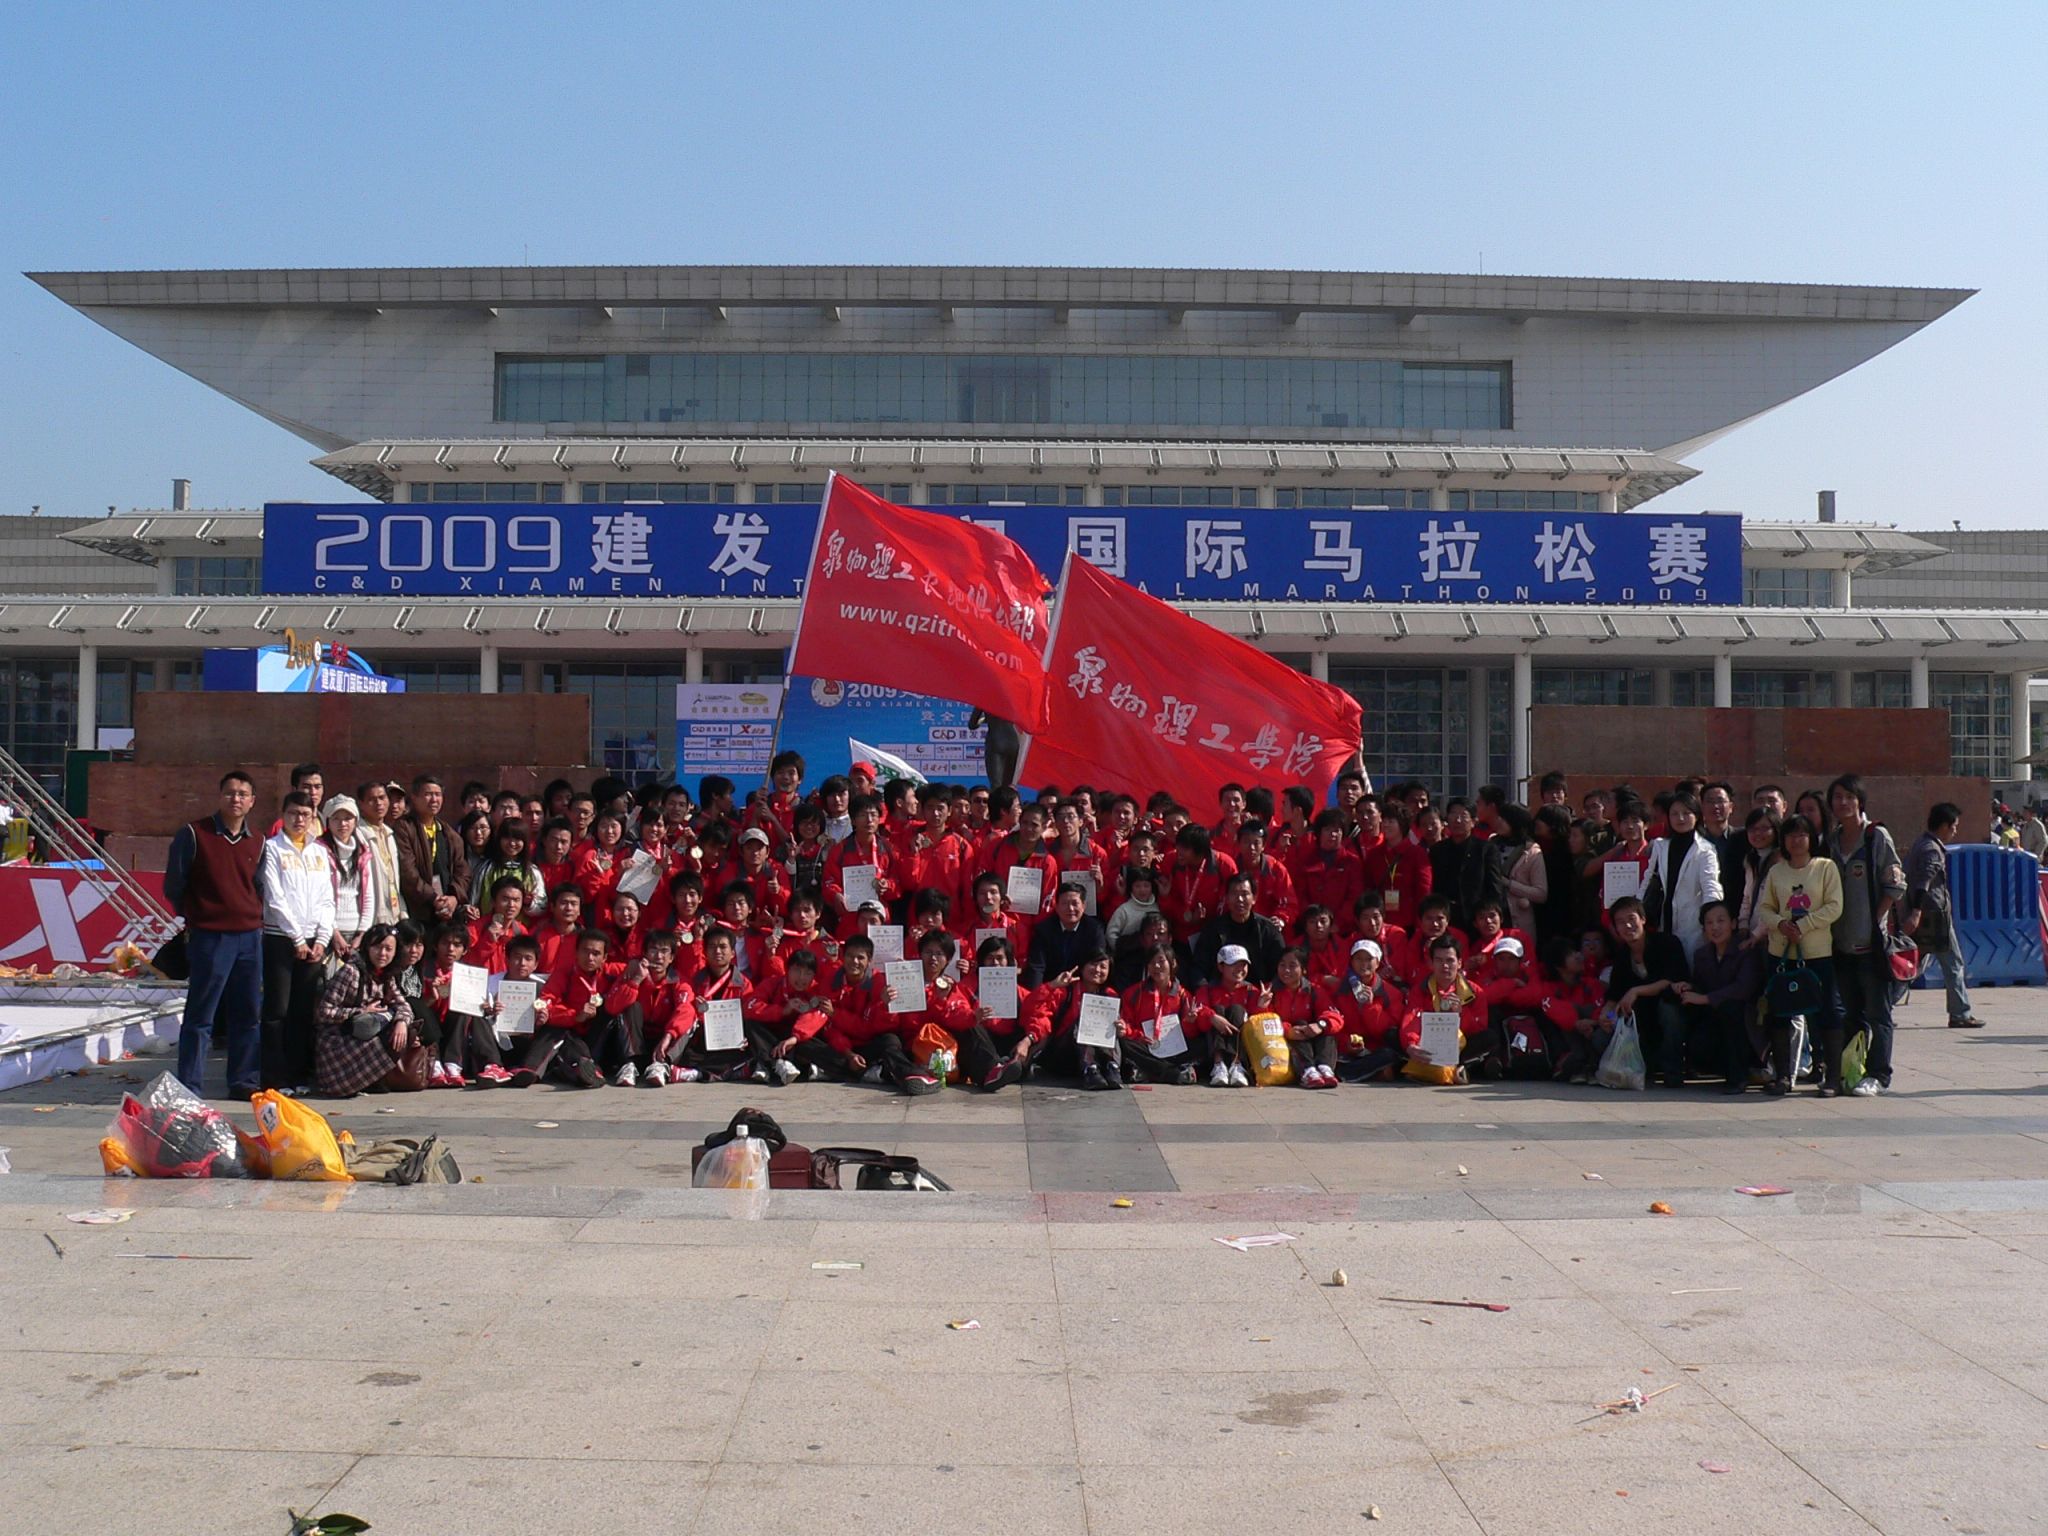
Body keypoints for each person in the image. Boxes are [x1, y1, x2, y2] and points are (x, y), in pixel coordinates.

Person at [163, 770, 265, 1098]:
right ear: (220, 796)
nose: (236, 799)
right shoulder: (194, 834)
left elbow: (259, 886)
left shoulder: (258, 841)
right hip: (210, 937)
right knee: (201, 1016)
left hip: (249, 937)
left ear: (252, 801)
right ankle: (190, 1086)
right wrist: (198, 916)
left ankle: (243, 1081)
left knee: (247, 1014)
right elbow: (174, 885)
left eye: (242, 794)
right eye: (230, 793)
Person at [1754, 814, 1846, 1096]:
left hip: (1817, 953)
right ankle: (1783, 1076)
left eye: (1802, 834)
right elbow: (1765, 908)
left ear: (1811, 838)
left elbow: (1834, 906)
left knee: (1827, 1013)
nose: (1796, 840)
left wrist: (1803, 925)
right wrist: (1781, 924)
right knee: (1779, 1013)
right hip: (1782, 954)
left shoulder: (1825, 867)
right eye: (1791, 835)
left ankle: (1832, 1077)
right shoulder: (1777, 872)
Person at [1827, 774, 1906, 1097]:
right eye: (1837, 797)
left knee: (1878, 1013)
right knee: (1851, 1014)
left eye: (1849, 796)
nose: (1843, 803)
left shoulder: (1876, 837)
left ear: (1860, 801)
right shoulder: (1832, 841)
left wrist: (1876, 919)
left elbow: (1895, 884)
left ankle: (1879, 1074)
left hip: (1871, 944)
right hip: (1840, 942)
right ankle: (1852, 1070)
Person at [258, 790, 336, 1090]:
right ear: (283, 815)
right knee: (277, 1010)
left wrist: (322, 939)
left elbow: (327, 899)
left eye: (305, 814)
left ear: (313, 818)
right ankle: (274, 1077)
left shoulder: (319, 852)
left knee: (303, 1011)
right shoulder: (273, 849)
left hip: (314, 941)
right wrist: (297, 938)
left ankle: (299, 1074)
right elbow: (275, 898)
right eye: (293, 813)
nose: (299, 820)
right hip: (281, 938)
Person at [311, 924, 418, 1097]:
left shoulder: (387, 975)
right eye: (377, 947)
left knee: (406, 1031)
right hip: (338, 1042)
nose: (382, 953)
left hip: (365, 1036)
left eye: (388, 949)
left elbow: (403, 1005)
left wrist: (401, 1022)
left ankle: (370, 1081)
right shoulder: (350, 972)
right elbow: (323, 1012)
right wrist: (360, 1011)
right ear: (367, 947)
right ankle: (354, 1082)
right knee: (374, 1028)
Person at [1906, 802, 1983, 1029]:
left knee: (1914, 964)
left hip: (1925, 914)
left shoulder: (1920, 843)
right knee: (1953, 963)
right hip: (1935, 916)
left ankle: (1881, 1004)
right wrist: (1917, 911)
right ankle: (1960, 1013)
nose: (1955, 831)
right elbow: (1924, 882)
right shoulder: (1932, 849)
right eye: (1954, 826)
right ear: (1943, 826)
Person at [1602, 896, 1692, 1089]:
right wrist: (1607, 1016)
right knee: (1600, 1036)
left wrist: (1636, 991)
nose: (1627, 926)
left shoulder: (1666, 943)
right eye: (1620, 922)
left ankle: (1673, 1071)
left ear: (1642, 919)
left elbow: (1672, 979)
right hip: (1640, 1020)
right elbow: (1614, 997)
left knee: (1669, 1011)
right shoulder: (1622, 956)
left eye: (1631, 918)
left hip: (1672, 1010)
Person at [1676, 900, 1765, 1095]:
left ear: (1733, 923)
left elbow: (1743, 989)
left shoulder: (1745, 951)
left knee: (1731, 1008)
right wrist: (1689, 987)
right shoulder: (1702, 955)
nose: (1715, 927)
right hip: (1714, 1019)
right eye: (1709, 923)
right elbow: (1701, 985)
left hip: (1745, 1020)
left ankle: (1739, 1077)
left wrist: (1705, 998)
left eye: (1720, 921)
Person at [1645, 792, 1724, 961]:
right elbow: (1647, 880)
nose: (1680, 818)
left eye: (1686, 813)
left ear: (1696, 816)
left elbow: (1711, 887)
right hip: (1663, 920)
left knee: (1690, 965)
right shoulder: (1660, 846)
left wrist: (1711, 920)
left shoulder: (1705, 850)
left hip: (1692, 924)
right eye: (1674, 813)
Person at [394, 774, 470, 928]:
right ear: (414, 798)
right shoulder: (404, 827)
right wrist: (434, 898)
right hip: (417, 911)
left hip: (447, 910)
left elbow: (463, 871)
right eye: (428, 794)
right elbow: (408, 872)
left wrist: (454, 898)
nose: (434, 799)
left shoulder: (449, 833)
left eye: (438, 794)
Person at [1190, 872, 1286, 986]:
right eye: (1234, 894)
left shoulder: (1268, 930)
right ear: (1226, 898)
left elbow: (1280, 969)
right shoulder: (1213, 929)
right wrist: (1205, 991)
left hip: (1259, 992)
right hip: (1220, 992)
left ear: (1254, 898)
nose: (1240, 899)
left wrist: (1268, 991)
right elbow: (1198, 968)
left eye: (1245, 894)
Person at [318, 796, 372, 968]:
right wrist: (334, 932)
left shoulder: (363, 851)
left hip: (356, 930)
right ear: (328, 821)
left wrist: (362, 933)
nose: (343, 824)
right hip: (328, 931)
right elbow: (320, 896)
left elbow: (368, 895)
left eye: (348, 818)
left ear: (356, 821)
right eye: (336, 819)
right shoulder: (319, 851)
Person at [1024, 881, 1109, 987]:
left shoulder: (1094, 929)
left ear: (1084, 906)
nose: (1070, 908)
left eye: (1075, 903)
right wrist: (1037, 993)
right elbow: (1037, 967)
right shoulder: (1044, 930)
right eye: (1064, 903)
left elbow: (1097, 963)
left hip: (1081, 985)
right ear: (1057, 907)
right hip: (1052, 985)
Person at [353, 780, 406, 928]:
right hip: (370, 913)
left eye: (382, 798)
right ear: (361, 804)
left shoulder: (389, 834)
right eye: (372, 799)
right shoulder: (357, 835)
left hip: (394, 909)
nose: (378, 803)